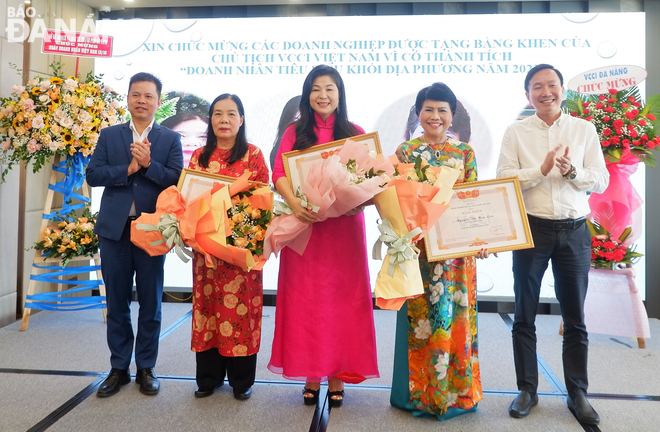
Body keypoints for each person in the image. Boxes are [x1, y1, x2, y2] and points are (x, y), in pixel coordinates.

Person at [496, 64, 609, 425]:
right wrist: (541, 170)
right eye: (537, 87)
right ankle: (527, 388)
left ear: (563, 89)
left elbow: (602, 181)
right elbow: (502, 179)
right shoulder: (516, 131)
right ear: (526, 94)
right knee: (524, 314)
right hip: (532, 230)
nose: (546, 92)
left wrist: (573, 172)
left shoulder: (583, 129)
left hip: (575, 231)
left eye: (552, 85)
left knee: (575, 317)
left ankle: (578, 393)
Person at [268, 64, 379, 407]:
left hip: (343, 232)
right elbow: (279, 173)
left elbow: (372, 178)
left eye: (330, 88)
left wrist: (359, 203)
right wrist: (294, 204)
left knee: (342, 303)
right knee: (307, 303)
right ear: (307, 94)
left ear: (340, 94)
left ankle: (336, 376)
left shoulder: (355, 131)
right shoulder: (294, 131)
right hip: (305, 230)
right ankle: (312, 375)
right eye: (316, 89)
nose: (323, 95)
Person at [87, 72, 183, 397]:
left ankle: (146, 367)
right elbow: (93, 174)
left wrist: (148, 165)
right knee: (116, 301)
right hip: (114, 231)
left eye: (148, 96)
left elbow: (176, 180)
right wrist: (126, 170)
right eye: (135, 94)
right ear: (128, 99)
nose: (141, 100)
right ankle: (118, 368)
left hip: (153, 231)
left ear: (158, 101)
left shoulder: (170, 139)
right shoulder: (110, 135)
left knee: (151, 302)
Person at [390, 82, 483, 420]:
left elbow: (474, 203)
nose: (435, 116)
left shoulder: (465, 154)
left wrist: (481, 238)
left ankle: (456, 396)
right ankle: (415, 396)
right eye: (428, 109)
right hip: (418, 254)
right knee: (420, 323)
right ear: (418, 113)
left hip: (456, 256)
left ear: (452, 115)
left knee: (456, 321)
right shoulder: (404, 153)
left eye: (442, 110)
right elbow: (394, 203)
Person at [187, 93, 269, 400]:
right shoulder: (199, 157)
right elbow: (190, 198)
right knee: (208, 310)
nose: (224, 120)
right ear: (210, 120)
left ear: (242, 120)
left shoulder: (254, 155)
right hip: (207, 251)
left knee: (240, 313)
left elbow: (261, 200)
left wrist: (225, 216)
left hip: (239, 248)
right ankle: (207, 378)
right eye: (218, 114)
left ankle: (241, 381)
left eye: (231, 114)